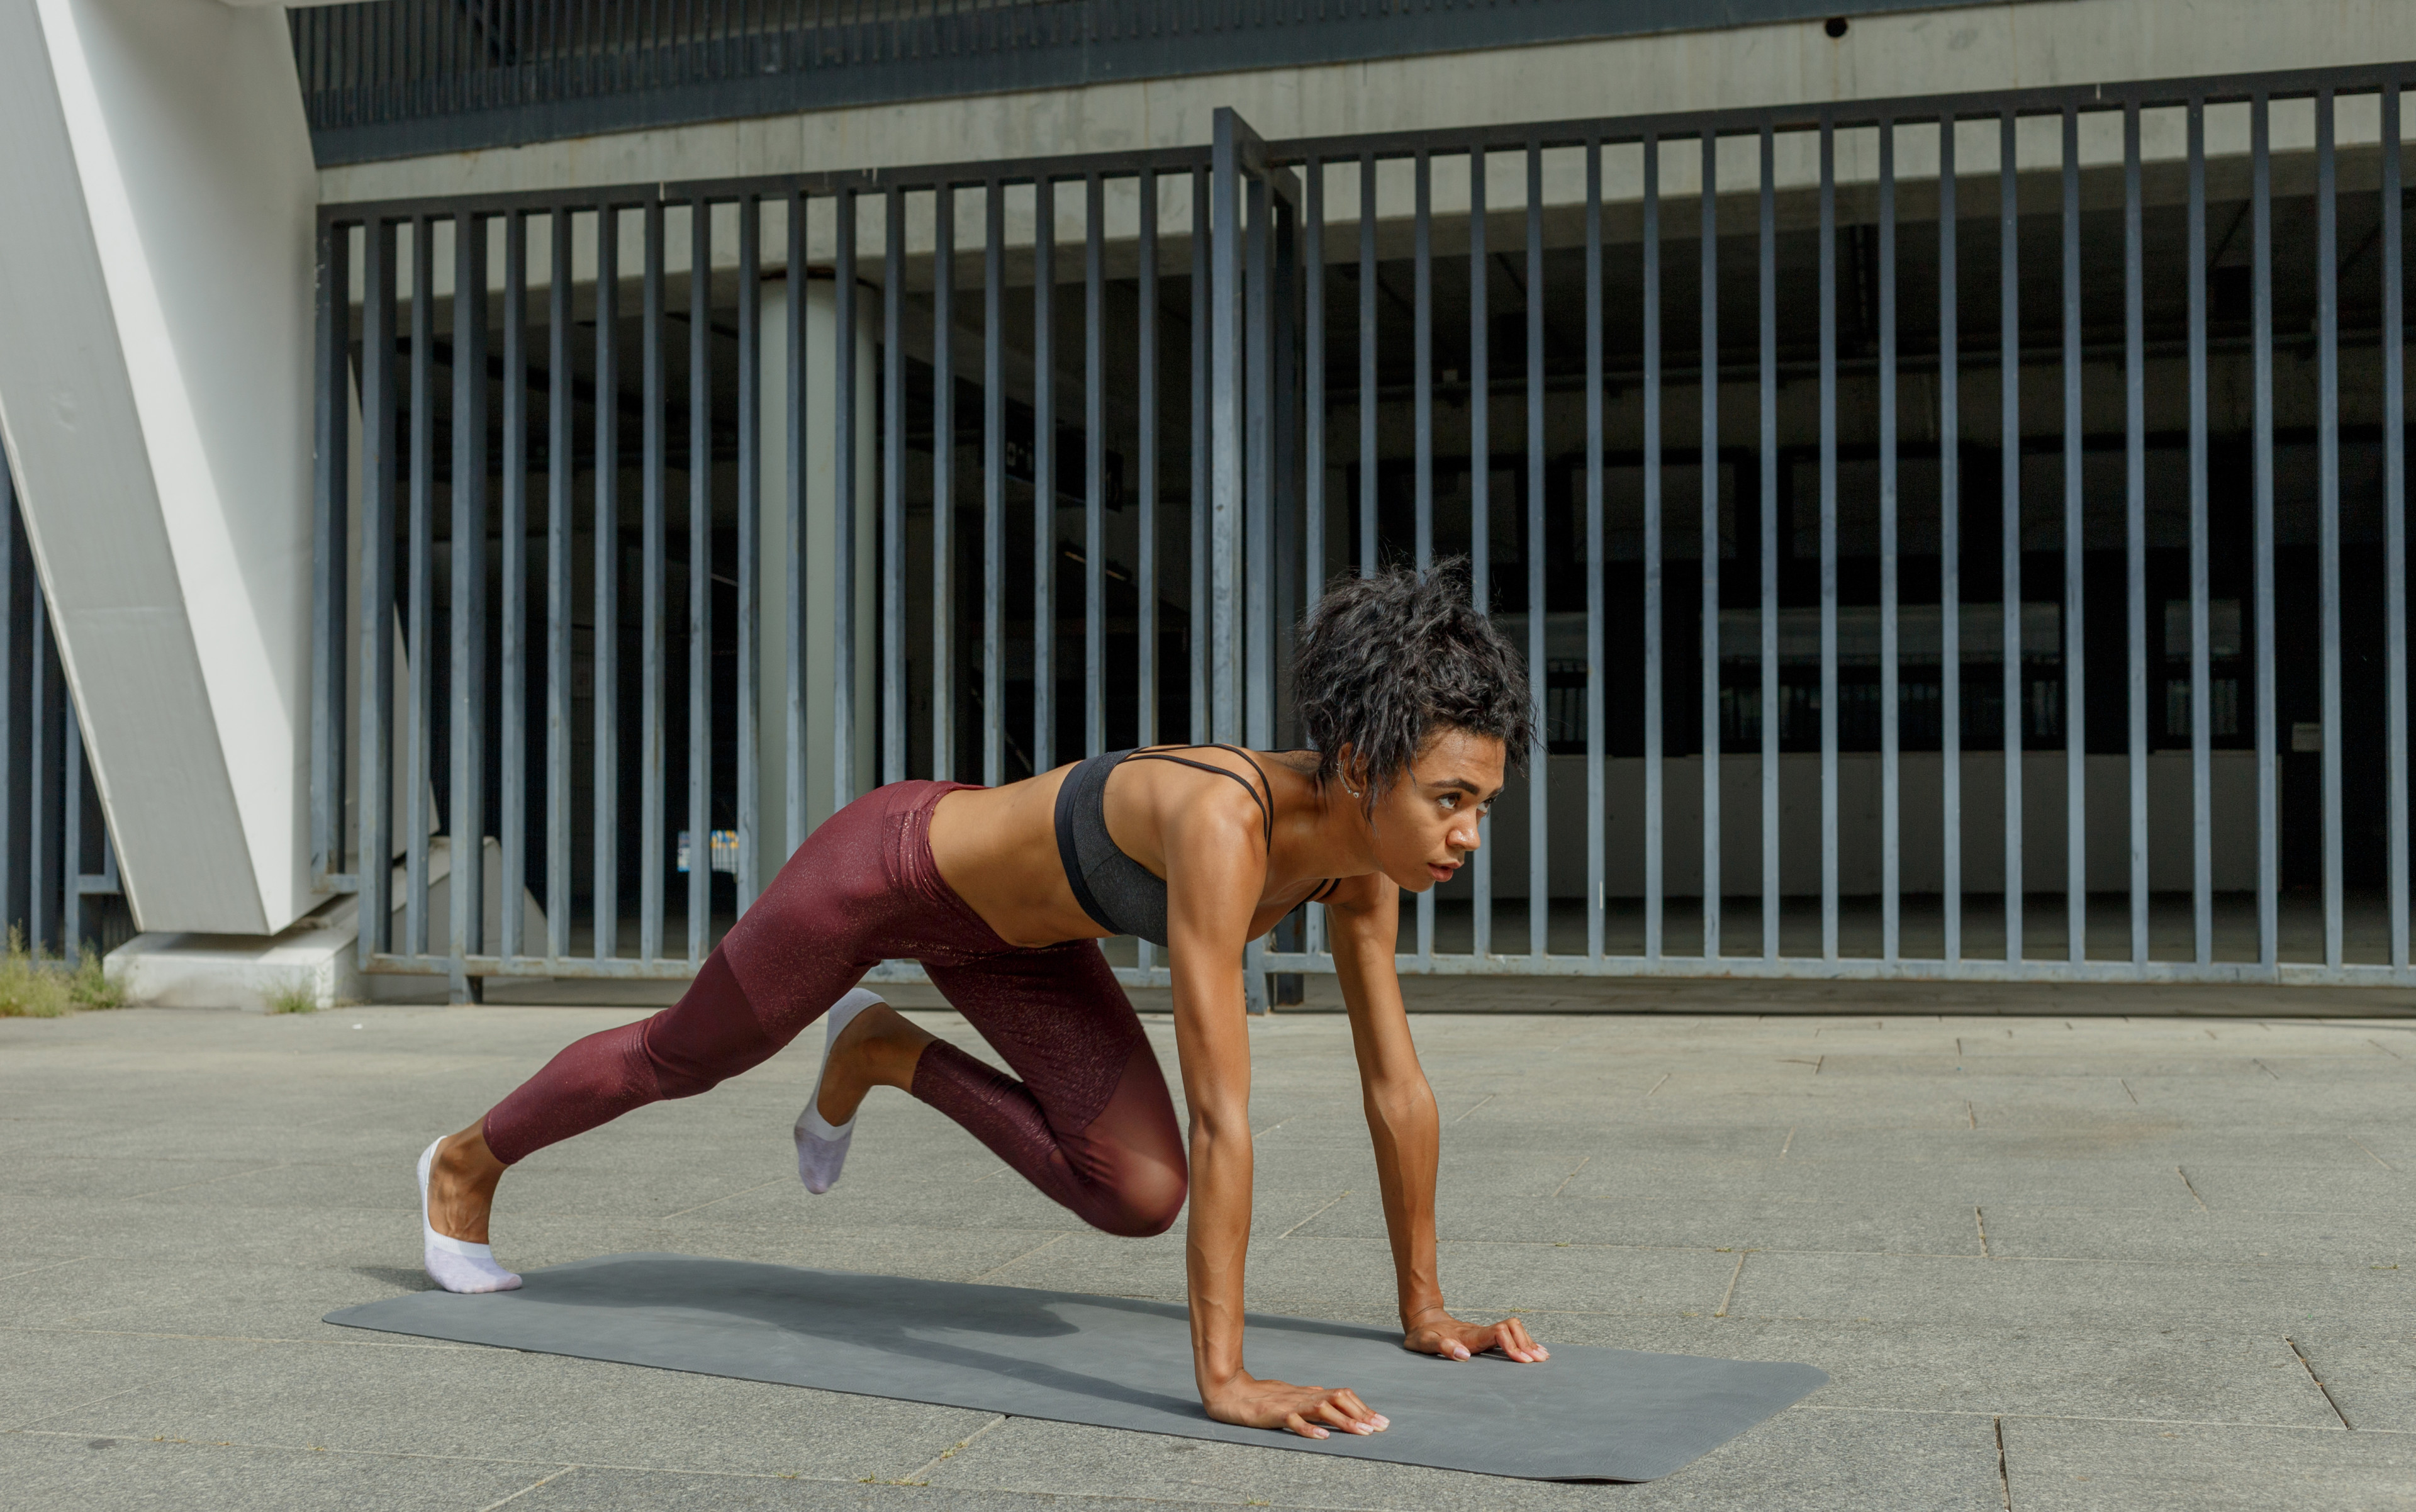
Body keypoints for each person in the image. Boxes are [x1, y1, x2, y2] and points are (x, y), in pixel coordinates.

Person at [417, 560, 1548, 1440]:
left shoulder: (1366, 867)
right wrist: (1228, 1380)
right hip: (888, 872)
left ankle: (880, 1051)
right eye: (1450, 798)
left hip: (1015, 947)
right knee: (685, 1055)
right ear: (1360, 763)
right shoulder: (1225, 822)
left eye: (1482, 805)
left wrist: (1427, 1310)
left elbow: (1395, 1085)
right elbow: (1224, 1110)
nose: (1467, 834)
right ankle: (468, 1162)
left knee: (1141, 1192)